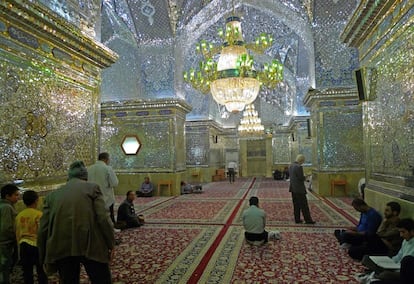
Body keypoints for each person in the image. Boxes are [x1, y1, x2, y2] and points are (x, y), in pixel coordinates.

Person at [38, 161, 115, 284]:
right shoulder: (92, 188)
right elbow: (103, 218)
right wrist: (111, 243)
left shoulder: (52, 196)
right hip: (92, 244)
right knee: (101, 279)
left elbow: (43, 228)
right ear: (85, 177)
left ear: (69, 177)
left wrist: (42, 256)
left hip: (62, 246)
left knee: (69, 280)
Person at [357, 218, 414, 283]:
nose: (401, 235)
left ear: (412, 231)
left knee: (385, 275)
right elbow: (398, 256)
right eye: (400, 232)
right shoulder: (405, 241)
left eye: (403, 232)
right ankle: (376, 275)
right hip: (394, 267)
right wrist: (389, 262)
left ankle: (375, 275)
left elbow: (408, 266)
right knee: (366, 258)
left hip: (403, 272)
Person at [15, 190, 48, 284]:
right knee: (41, 270)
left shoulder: (19, 216)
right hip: (36, 245)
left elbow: (17, 232)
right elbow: (42, 232)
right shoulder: (39, 214)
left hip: (23, 245)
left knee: (27, 272)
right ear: (36, 200)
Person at [88, 152, 119, 224]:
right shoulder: (107, 168)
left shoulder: (89, 169)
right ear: (106, 159)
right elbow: (114, 183)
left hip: (92, 196)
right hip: (106, 196)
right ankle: (111, 228)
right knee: (108, 215)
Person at [0, 184, 20, 284]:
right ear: (7, 196)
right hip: (5, 243)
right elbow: (6, 228)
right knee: (4, 268)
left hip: (4, 242)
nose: (18, 197)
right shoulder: (6, 207)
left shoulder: (4, 206)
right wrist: (15, 238)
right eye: (16, 195)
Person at [288, 154, 316, 224]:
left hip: (293, 188)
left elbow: (295, 177)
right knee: (304, 206)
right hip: (299, 189)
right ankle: (308, 220)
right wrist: (307, 176)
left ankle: (297, 219)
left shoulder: (291, 166)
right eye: (303, 161)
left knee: (296, 205)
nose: (303, 162)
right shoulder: (299, 167)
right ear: (301, 160)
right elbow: (301, 178)